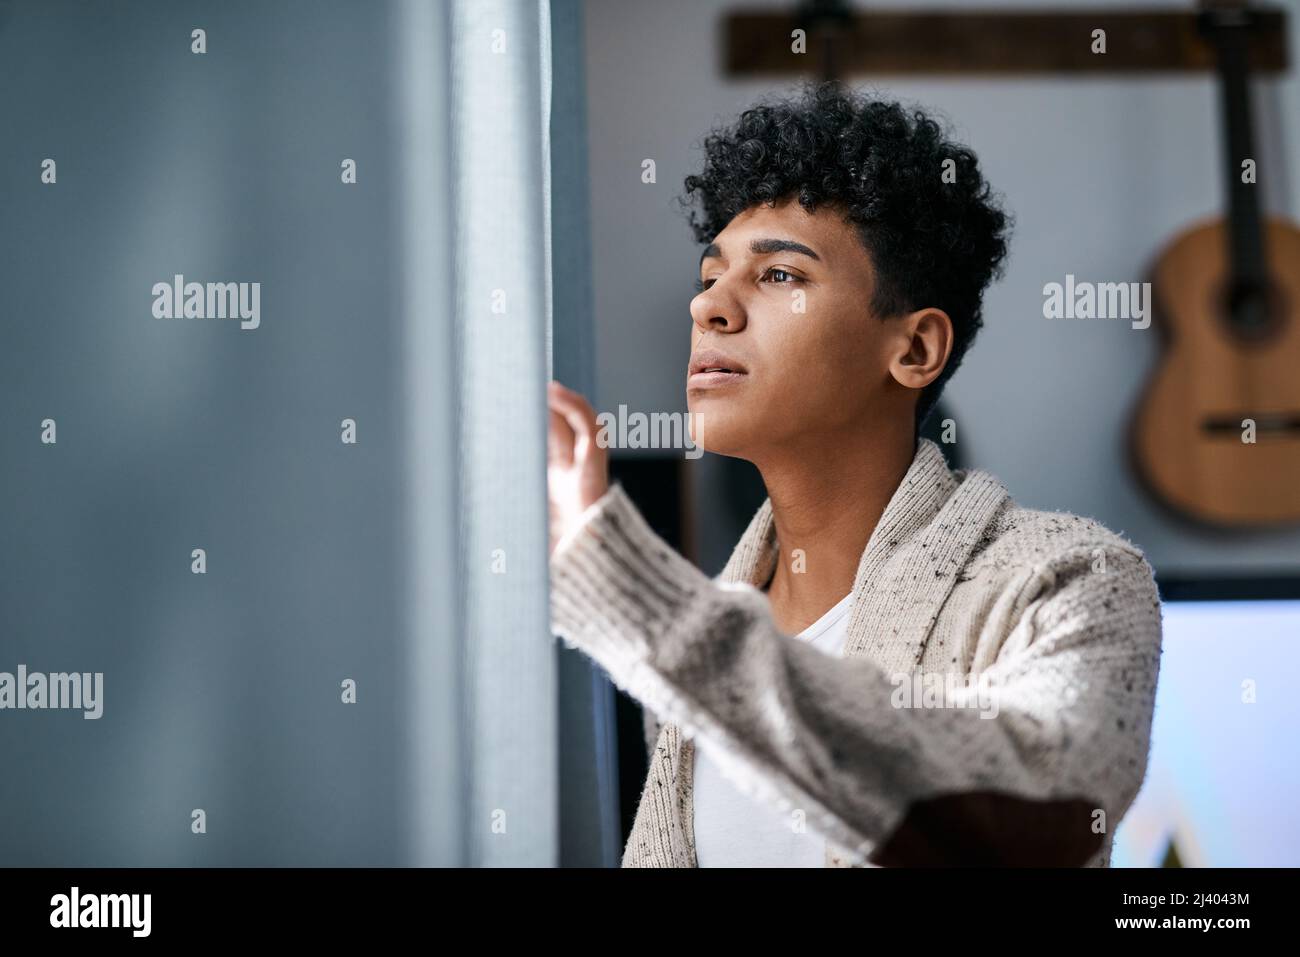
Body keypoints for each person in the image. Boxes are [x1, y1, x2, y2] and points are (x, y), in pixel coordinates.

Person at [546, 81, 1163, 867]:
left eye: (779, 276)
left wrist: (636, 601)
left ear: (913, 350)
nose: (709, 308)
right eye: (711, 276)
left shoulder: (1071, 578)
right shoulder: (708, 628)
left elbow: (1041, 809)